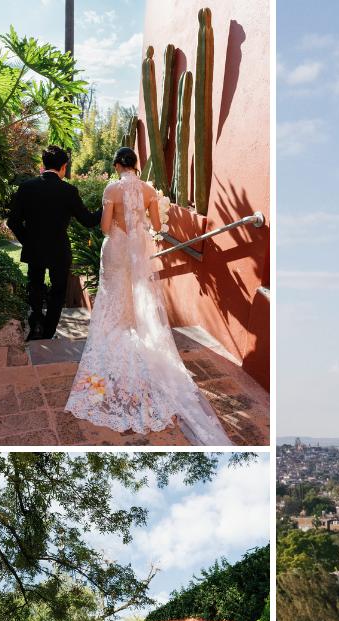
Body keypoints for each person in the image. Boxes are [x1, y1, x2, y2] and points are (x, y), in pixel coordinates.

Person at [63, 147, 227, 443]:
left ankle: (114, 337)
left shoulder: (111, 189)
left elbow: (103, 228)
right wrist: (140, 225)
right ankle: (133, 332)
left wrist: (119, 224)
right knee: (137, 294)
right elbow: (157, 225)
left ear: (116, 165)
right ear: (136, 165)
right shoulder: (150, 190)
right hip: (138, 249)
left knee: (113, 296)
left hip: (115, 249)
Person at [6, 145, 102, 340]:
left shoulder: (26, 187)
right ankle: (48, 331)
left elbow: (12, 222)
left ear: (43, 164)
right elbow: (89, 221)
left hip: (34, 249)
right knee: (58, 291)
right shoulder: (68, 190)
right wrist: (106, 204)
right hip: (59, 250)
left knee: (35, 285)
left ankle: (35, 325)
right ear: (64, 166)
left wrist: (28, 241)